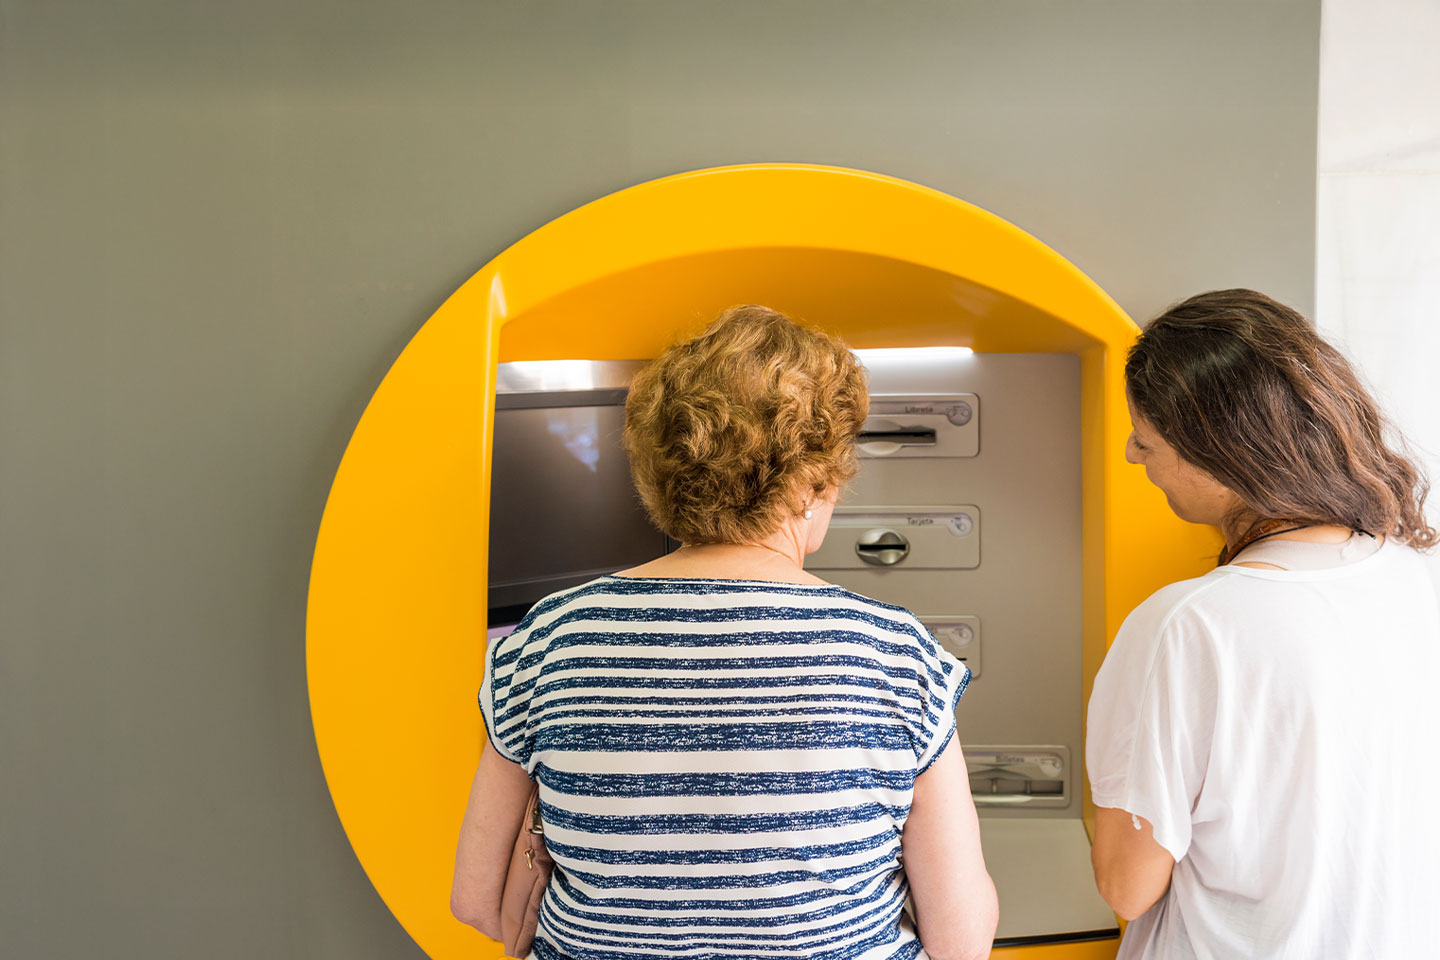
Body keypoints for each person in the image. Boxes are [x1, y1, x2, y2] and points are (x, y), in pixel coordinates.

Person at [451, 305, 998, 960]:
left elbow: (477, 901)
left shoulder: (550, 638)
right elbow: (961, 941)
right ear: (812, 484)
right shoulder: (896, 654)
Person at [1086, 289, 1440, 959]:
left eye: (1146, 439)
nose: (1133, 454)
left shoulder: (1186, 625)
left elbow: (1126, 887)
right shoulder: (1404, 573)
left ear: (1220, 455)